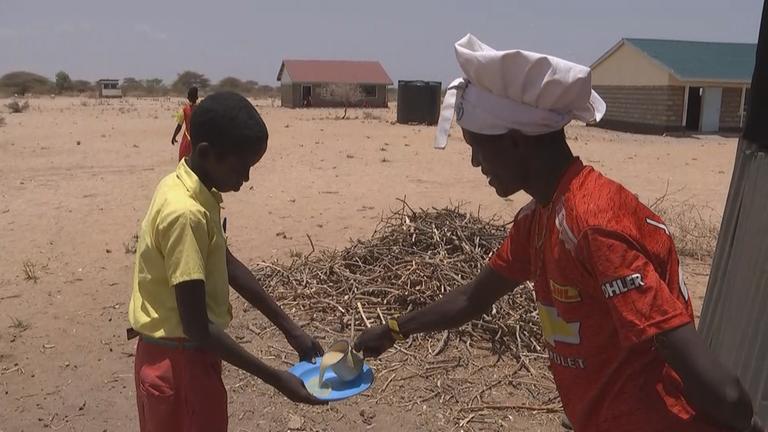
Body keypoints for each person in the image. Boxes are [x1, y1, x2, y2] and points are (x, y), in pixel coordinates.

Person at [354, 34, 764, 432]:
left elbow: (709, 379)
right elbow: (471, 298)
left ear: (516, 141)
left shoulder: (593, 223)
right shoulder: (543, 216)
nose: (477, 163)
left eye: (478, 147)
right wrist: (394, 331)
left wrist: (745, 420)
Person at [129, 91, 325, 432]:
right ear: (206, 153)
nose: (246, 179)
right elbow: (198, 328)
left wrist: (292, 331)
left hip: (182, 358)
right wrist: (277, 379)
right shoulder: (185, 213)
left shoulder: (188, 188)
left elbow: (226, 262)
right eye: (241, 167)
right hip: (179, 365)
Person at [171, 86, 198, 161]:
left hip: (187, 140)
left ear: (188, 97)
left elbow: (179, 126)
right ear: (197, 97)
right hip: (198, 140)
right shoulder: (201, 109)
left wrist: (174, 136)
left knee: (183, 161)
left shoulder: (184, 110)